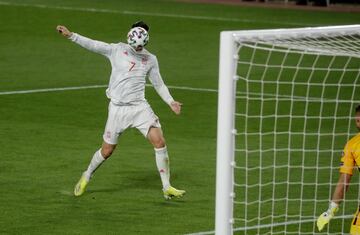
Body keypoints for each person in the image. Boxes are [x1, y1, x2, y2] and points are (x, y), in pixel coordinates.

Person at [56, 21, 185, 200]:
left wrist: (171, 101)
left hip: (139, 107)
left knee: (159, 141)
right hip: (117, 109)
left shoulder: (150, 59)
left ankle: (167, 187)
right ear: (130, 37)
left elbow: (158, 83)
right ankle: (87, 175)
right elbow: (93, 45)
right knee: (107, 151)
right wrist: (71, 36)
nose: (139, 49)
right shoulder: (116, 50)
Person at [317, 105, 360, 234]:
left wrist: (331, 211)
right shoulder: (352, 145)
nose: (358, 123)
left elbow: (344, 181)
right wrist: (330, 210)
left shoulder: (353, 145)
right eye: (357, 120)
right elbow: (344, 181)